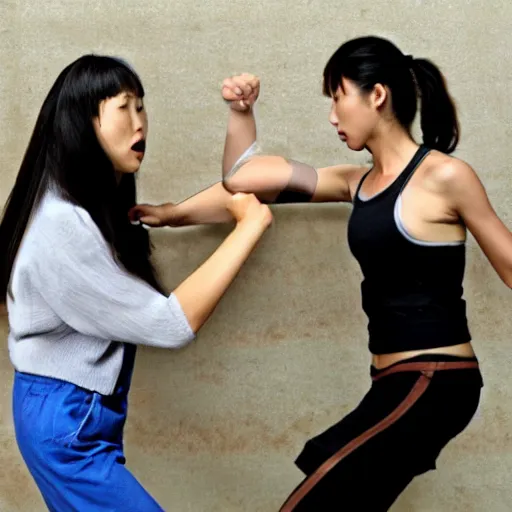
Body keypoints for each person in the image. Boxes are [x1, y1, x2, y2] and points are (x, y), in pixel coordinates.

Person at [130, 36, 512, 511]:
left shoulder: (445, 176)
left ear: (377, 95)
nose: (332, 114)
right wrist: (239, 117)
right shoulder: (357, 182)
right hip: (394, 385)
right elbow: (244, 180)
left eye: (338, 96)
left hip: (436, 379)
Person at [0, 54, 272, 511]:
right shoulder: (61, 224)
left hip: (67, 412)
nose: (139, 121)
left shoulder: (76, 200)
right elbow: (170, 325)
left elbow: (242, 186)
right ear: (82, 123)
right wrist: (248, 229)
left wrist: (239, 116)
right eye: (123, 107)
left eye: (141, 106)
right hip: (67, 423)